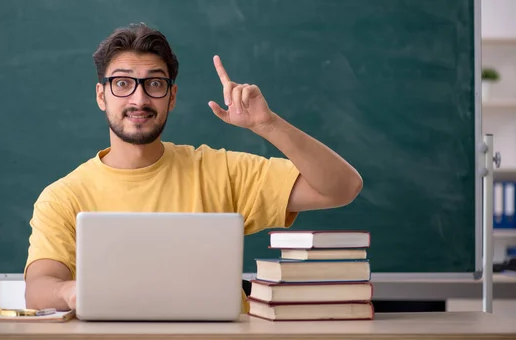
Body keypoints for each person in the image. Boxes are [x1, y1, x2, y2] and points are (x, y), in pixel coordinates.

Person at [24, 23, 363, 312]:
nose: (139, 100)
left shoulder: (220, 171)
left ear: (171, 97)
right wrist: (70, 291)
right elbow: (38, 289)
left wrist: (268, 125)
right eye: (123, 83)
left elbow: (342, 188)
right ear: (102, 96)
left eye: (154, 84)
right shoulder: (63, 197)